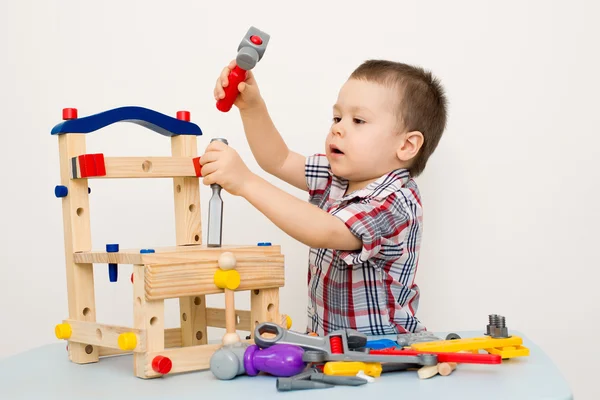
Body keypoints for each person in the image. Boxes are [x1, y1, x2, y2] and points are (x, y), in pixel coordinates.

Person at [201, 59, 448, 336]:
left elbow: (325, 230)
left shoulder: (397, 202)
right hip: (332, 350)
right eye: (337, 117)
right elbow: (278, 159)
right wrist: (251, 107)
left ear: (406, 145)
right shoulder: (338, 177)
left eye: (358, 120)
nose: (338, 128)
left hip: (386, 353)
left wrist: (245, 182)